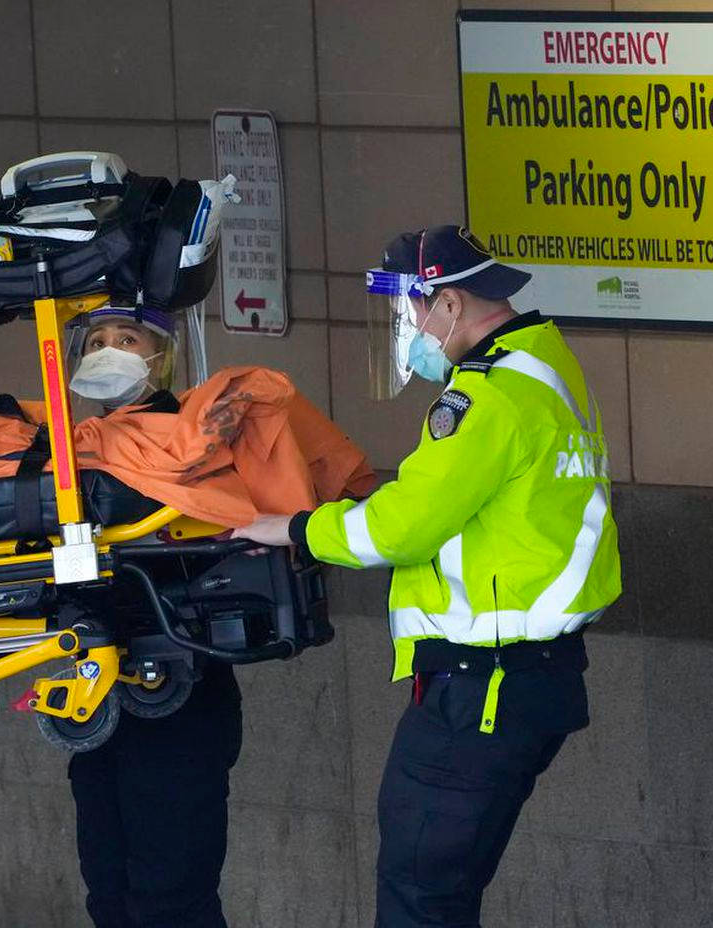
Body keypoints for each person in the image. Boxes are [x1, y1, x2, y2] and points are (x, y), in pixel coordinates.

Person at [236, 225, 622, 928]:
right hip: (526, 681)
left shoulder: (488, 397)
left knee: (420, 897)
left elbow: (399, 527)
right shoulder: (546, 366)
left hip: (484, 689)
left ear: (449, 303)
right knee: (440, 894)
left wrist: (295, 528)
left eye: (414, 307)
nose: (412, 325)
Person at [64, 303, 243, 928]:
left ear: (158, 355)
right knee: (108, 894)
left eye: (127, 337)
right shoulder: (76, 456)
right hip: (99, 698)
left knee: (171, 901)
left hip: (176, 691)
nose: (108, 350)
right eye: (97, 340)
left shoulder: (185, 439)